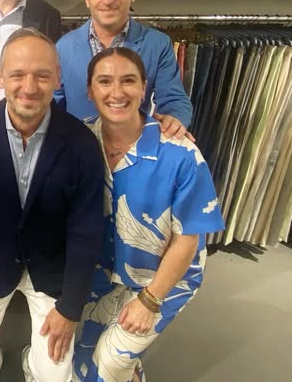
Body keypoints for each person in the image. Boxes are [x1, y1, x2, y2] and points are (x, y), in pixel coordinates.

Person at [0, 28, 104, 382]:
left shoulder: (81, 144)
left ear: (58, 78)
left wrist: (70, 308)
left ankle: (30, 360)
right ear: (0, 77)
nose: (29, 87)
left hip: (50, 269)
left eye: (42, 75)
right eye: (17, 74)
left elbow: (85, 230)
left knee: (54, 376)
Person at [72, 47, 225, 382]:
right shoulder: (78, 140)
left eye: (128, 81)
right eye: (104, 81)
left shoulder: (180, 153)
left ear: (144, 88)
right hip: (99, 273)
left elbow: (187, 240)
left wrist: (149, 301)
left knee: (109, 364)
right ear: (90, 91)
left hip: (160, 278)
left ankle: (124, 366)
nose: (116, 92)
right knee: (79, 359)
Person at [54, 0, 192, 138]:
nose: (107, 0)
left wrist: (174, 121)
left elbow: (173, 99)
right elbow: (53, 103)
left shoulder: (158, 45)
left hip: (131, 146)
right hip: (77, 146)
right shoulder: (63, 47)